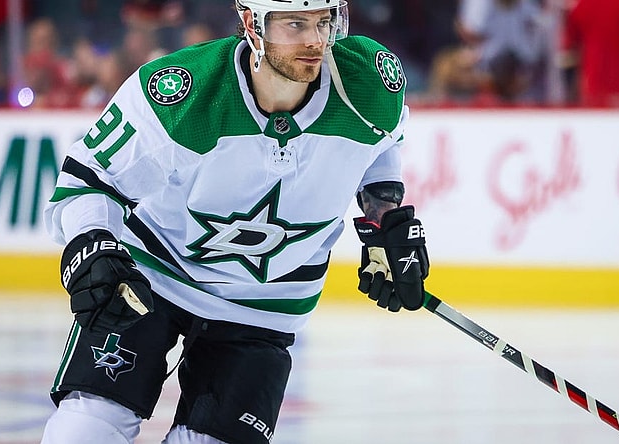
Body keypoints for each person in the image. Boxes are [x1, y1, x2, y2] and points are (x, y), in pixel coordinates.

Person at [40, 0, 430, 443]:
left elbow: (382, 144)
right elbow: (89, 177)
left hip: (268, 305)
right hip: (153, 279)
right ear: (252, 23)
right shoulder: (182, 91)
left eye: (324, 22)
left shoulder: (368, 80)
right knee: (85, 431)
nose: (316, 41)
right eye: (296, 24)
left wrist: (384, 219)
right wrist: (92, 243)